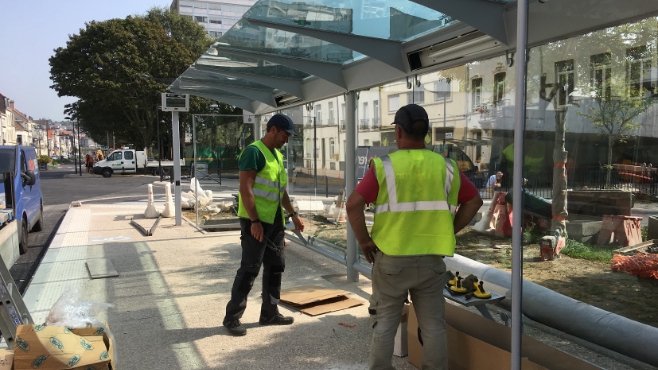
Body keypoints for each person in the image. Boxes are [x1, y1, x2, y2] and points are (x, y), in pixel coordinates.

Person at [346, 104, 483, 370]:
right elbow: (474, 202)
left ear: (398, 131)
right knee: (433, 327)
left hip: (391, 262)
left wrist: (364, 241)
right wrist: (448, 229)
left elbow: (353, 204)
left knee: (385, 322)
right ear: (426, 133)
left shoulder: (384, 167)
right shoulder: (447, 167)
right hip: (431, 262)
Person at [223, 113, 305, 337]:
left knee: (276, 265)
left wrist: (294, 214)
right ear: (273, 130)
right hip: (256, 221)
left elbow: (281, 191)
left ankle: (269, 312)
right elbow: (245, 188)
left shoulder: (276, 155)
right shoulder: (254, 152)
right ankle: (232, 317)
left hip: (275, 221)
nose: (286, 140)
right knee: (250, 268)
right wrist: (255, 221)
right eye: (285, 135)